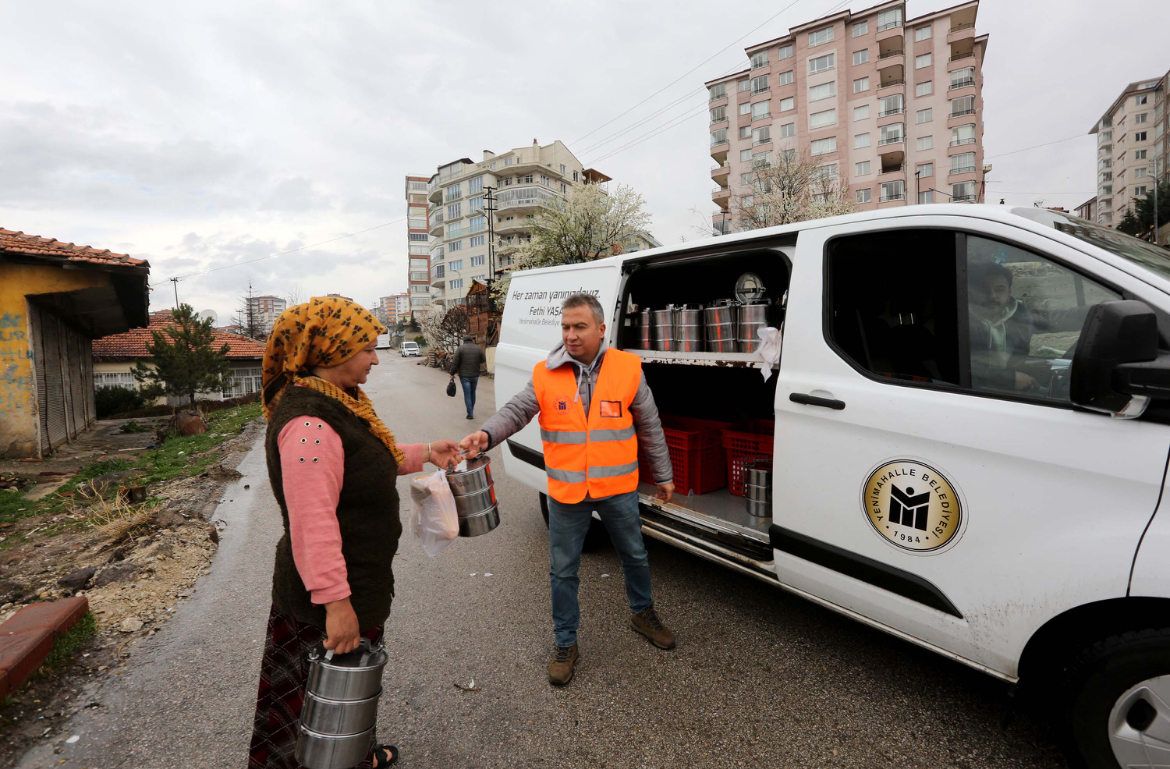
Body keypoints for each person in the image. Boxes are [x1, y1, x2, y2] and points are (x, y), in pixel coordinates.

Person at [249, 297, 459, 769]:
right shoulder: (309, 424)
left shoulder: (337, 405)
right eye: (366, 348)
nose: (375, 358)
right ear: (331, 350)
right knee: (313, 713)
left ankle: (357, 756)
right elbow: (312, 524)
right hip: (325, 603)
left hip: (352, 587)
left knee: (346, 699)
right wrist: (336, 605)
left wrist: (426, 451)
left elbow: (363, 462)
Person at [459, 292, 676, 686]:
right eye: (565, 327)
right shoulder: (546, 373)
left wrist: (663, 475)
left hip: (617, 489)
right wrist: (486, 434)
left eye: (579, 327)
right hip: (567, 492)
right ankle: (565, 642)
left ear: (600, 329)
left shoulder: (628, 369)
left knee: (635, 555)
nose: (571, 335)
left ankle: (643, 614)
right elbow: (517, 411)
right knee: (563, 571)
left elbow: (650, 425)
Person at [968, 261, 1090, 392]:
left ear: (1009, 293)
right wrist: (1010, 379)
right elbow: (963, 365)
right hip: (970, 392)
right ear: (971, 292)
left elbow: (1061, 317)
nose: (992, 296)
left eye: (999, 290)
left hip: (1007, 390)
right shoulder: (961, 320)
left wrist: (1099, 311)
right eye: (984, 290)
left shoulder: (1020, 316)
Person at [448, 335, 487, 419]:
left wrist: (452, 373)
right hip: (475, 375)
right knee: (473, 393)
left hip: (464, 376)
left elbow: (455, 362)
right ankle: (471, 410)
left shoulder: (460, 349)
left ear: (464, 341)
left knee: (467, 394)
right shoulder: (478, 348)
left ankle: (470, 413)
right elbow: (483, 359)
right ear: (472, 340)